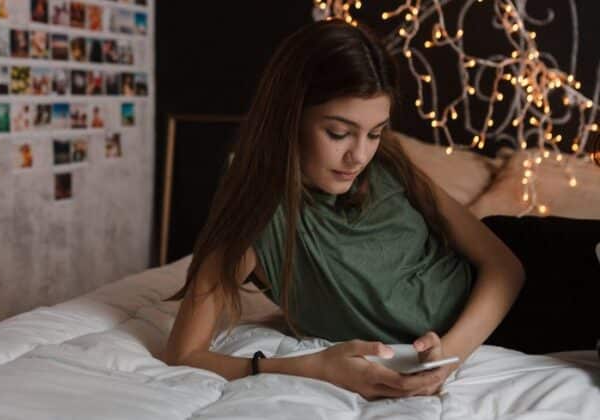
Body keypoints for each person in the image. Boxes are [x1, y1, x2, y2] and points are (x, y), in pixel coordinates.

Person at [159, 20, 525, 400]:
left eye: (375, 132)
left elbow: (505, 267)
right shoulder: (258, 214)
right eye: (338, 133)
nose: (359, 155)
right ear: (290, 118)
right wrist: (313, 367)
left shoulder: (388, 165)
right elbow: (183, 353)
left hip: (524, 282)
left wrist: (448, 357)